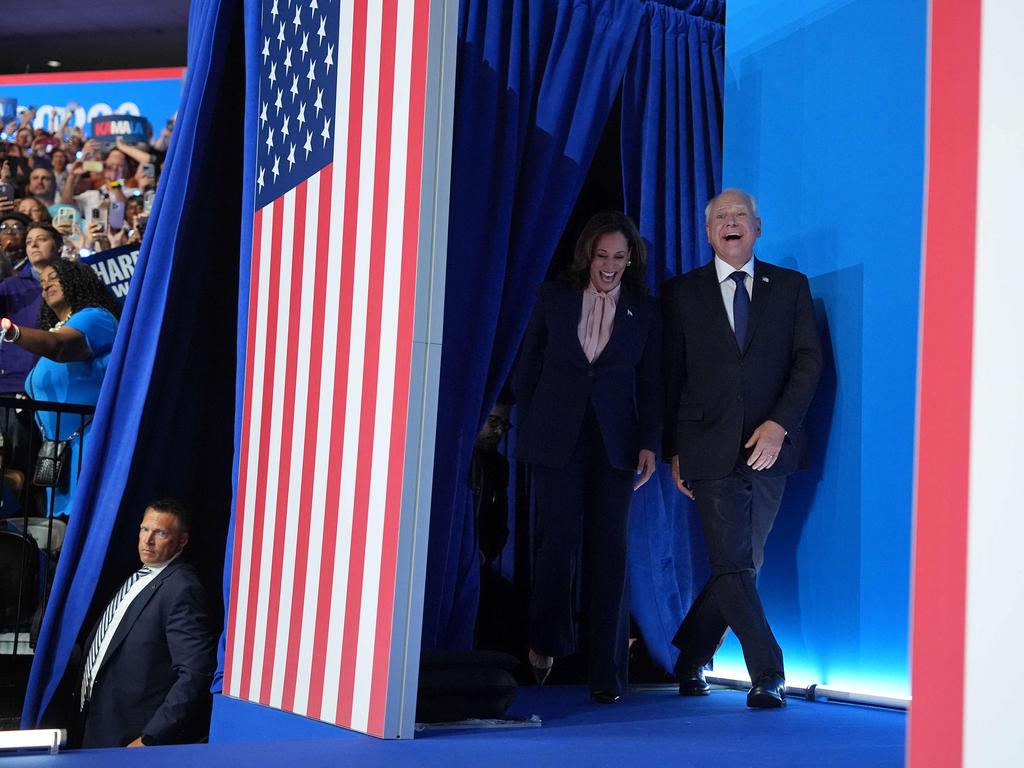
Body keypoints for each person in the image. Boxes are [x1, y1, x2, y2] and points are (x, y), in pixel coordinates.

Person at [662, 188, 822, 708]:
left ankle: (690, 657)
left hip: (769, 450)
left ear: (758, 228)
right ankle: (768, 673)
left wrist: (779, 425)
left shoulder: (791, 287)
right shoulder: (682, 293)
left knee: (740, 564)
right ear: (708, 233)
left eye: (741, 216)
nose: (731, 224)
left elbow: (807, 362)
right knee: (731, 562)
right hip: (708, 449)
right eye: (721, 218)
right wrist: (673, 450)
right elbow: (671, 377)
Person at [513, 211, 661, 703]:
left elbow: (652, 384)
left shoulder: (645, 308)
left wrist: (649, 442)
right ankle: (547, 643)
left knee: (610, 554)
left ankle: (607, 673)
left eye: (620, 257)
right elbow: (527, 366)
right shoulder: (552, 297)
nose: (611, 265)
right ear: (587, 256)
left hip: (615, 444)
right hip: (557, 438)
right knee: (556, 544)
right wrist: (535, 421)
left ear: (630, 260)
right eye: (603, 255)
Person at [78, 499, 215, 747]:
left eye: (160, 533)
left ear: (182, 541)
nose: (147, 540)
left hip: (132, 740)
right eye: (144, 530)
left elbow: (195, 672)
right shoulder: (141, 575)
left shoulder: (182, 588)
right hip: (99, 724)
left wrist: (152, 737)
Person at [1, 259, 120, 518]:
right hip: (57, 454)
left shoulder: (94, 316)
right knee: (59, 533)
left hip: (89, 442)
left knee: (83, 520)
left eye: (55, 277)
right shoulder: (55, 330)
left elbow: (60, 347)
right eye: (42, 282)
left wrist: (12, 331)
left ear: (76, 279)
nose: (46, 286)